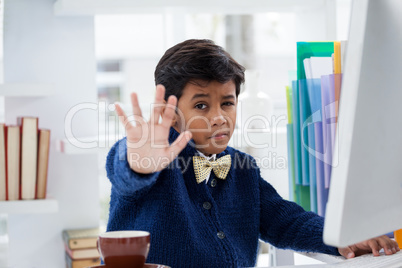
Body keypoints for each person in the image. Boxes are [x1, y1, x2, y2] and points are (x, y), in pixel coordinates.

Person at [106, 39, 400, 267]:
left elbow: (286, 221)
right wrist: (140, 163)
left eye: (228, 103)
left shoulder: (242, 167)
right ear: (170, 111)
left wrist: (343, 239)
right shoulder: (151, 157)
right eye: (201, 105)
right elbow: (126, 171)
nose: (220, 117)